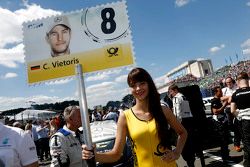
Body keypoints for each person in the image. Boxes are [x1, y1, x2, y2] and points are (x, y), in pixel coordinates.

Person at [82, 67, 187, 167]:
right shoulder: (125, 116)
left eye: (142, 83)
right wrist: (94, 156)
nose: (138, 88)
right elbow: (116, 154)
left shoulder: (163, 110)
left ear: (149, 84)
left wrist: (177, 152)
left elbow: (183, 133)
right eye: (133, 85)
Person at [168, 84, 204, 167]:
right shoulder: (184, 96)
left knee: (185, 146)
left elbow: (178, 113)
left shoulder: (176, 98)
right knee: (191, 143)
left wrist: (176, 126)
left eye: (171, 92)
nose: (170, 94)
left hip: (183, 122)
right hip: (190, 121)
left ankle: (190, 163)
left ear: (174, 90)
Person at [231, 72, 250, 167]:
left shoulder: (235, 94)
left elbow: (232, 110)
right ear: (247, 80)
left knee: (247, 142)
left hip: (245, 121)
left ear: (238, 81)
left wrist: (239, 115)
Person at [210, 86, 232, 163]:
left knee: (225, 140)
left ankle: (227, 156)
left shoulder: (219, 99)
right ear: (216, 92)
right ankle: (225, 158)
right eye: (220, 91)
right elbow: (215, 111)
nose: (222, 93)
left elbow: (229, 97)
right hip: (219, 123)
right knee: (223, 140)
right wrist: (224, 105)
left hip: (223, 121)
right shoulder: (214, 101)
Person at [221, 76, 242, 152]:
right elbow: (222, 99)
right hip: (228, 109)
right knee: (231, 126)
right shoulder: (224, 90)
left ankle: (237, 144)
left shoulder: (237, 88)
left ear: (232, 81)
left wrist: (228, 98)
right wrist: (231, 97)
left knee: (238, 126)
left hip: (237, 109)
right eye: (227, 83)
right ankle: (237, 138)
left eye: (230, 82)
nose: (228, 84)